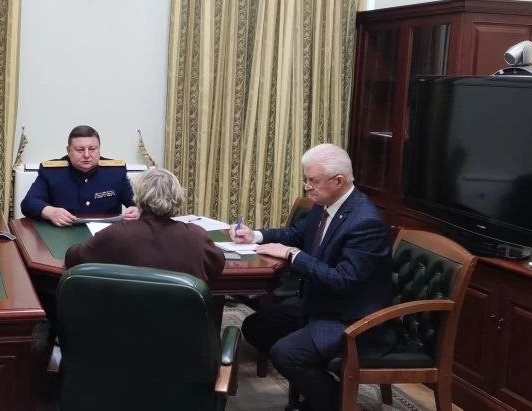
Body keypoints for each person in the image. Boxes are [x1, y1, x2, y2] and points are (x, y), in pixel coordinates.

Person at [230, 143, 394, 411]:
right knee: (256, 326)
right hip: (320, 302)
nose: (307, 187)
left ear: (338, 181)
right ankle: (316, 386)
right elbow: (296, 234)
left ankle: (338, 404)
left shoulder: (365, 222)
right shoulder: (325, 203)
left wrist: (293, 255)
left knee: (287, 354)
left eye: (313, 180)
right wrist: (255, 235)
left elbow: (343, 280)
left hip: (351, 317)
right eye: (306, 179)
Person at [65, 168, 225, 283]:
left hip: (125, 319)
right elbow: (217, 264)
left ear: (139, 197)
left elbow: (74, 258)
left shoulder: (117, 234)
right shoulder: (196, 236)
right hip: (181, 320)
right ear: (178, 197)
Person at [21, 125, 140, 226]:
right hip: (64, 231)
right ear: (68, 150)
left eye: (92, 149)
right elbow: (29, 202)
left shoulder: (115, 172)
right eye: (80, 150)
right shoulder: (52, 173)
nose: (87, 155)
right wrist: (50, 212)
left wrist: (137, 209)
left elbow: (137, 202)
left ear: (99, 149)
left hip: (106, 234)